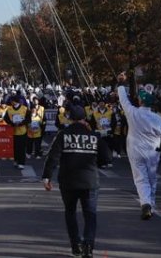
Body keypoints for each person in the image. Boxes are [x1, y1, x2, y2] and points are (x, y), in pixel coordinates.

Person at [42, 103, 111, 258]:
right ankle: (88, 246)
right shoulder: (93, 135)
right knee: (90, 215)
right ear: (84, 118)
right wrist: (96, 163)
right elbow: (107, 157)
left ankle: (76, 245)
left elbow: (53, 157)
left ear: (70, 118)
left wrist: (47, 177)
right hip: (90, 180)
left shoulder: (63, 134)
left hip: (68, 181)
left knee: (70, 213)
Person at [116, 72, 161, 220]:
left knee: (140, 178)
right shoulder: (156, 118)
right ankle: (151, 203)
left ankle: (146, 203)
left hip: (135, 150)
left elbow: (123, 100)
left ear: (140, 101)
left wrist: (121, 84)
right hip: (152, 151)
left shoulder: (133, 113)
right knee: (152, 178)